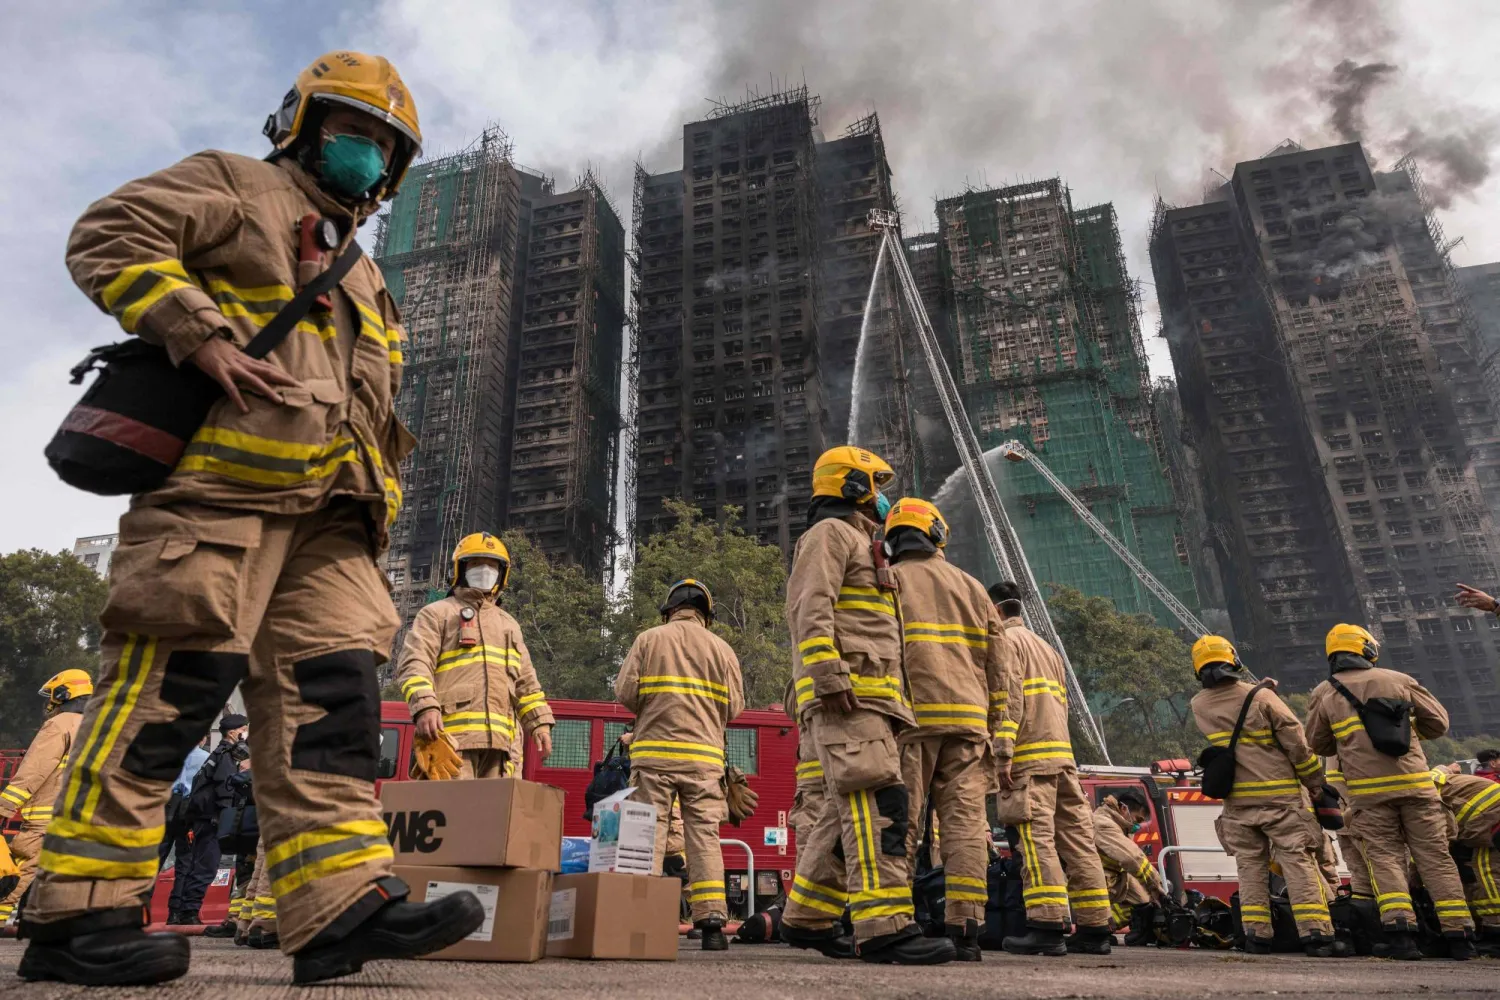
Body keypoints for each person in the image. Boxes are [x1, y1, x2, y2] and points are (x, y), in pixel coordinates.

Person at [19, 51, 485, 986]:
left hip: (333, 525)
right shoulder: (238, 187)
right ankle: (79, 912)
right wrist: (198, 330)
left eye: (385, 145)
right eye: (353, 132)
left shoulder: (365, 272)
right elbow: (109, 232)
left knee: (337, 709)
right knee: (168, 698)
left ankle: (339, 905)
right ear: (301, 126)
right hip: (221, 500)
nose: (367, 155)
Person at [779, 447, 955, 965]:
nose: (882, 497)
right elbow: (810, 608)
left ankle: (807, 918)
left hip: (872, 697)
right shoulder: (829, 536)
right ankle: (885, 928)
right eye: (875, 485)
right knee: (880, 806)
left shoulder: (859, 542)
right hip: (848, 695)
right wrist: (829, 675)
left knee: (843, 811)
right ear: (852, 485)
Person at [1305, 623, 1474, 960]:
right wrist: (1409, 734)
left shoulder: (1325, 692)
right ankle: (1460, 937)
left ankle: (1402, 938)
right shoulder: (1399, 680)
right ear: (1367, 649)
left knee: (1385, 861)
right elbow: (1438, 723)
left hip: (1369, 795)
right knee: (1436, 859)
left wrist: (1351, 741)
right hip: (1417, 788)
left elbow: (1317, 743)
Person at [883, 498, 1005, 961]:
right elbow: (1001, 668)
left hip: (911, 723)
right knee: (967, 828)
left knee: (901, 823)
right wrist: (999, 729)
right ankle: (967, 929)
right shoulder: (973, 589)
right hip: (969, 725)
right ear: (937, 533)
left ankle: (895, 923)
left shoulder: (886, 581)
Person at [1189, 635, 1344, 957]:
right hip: (1281, 801)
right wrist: (1315, 781)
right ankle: (1316, 935)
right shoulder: (1261, 698)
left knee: (1249, 869)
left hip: (1237, 805)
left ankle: (1257, 936)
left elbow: (1235, 715)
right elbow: (1297, 744)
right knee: (1298, 863)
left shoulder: (1199, 705)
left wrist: (1259, 691)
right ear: (1233, 659)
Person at [615, 579, 744, 951]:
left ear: (669, 609)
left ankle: (643, 920)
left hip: (654, 756)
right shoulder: (723, 650)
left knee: (648, 834)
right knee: (704, 838)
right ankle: (713, 925)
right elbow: (734, 708)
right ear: (707, 614)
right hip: (704, 760)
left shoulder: (649, 639)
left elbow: (625, 693)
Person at [989, 581, 1113, 957]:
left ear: (994, 611)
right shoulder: (1047, 648)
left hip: (1029, 761)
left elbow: (1008, 701)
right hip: (1063, 760)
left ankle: (1046, 926)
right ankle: (1095, 928)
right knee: (1079, 843)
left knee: (1035, 841)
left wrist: (1003, 753)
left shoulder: (1007, 644)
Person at [395, 532, 554, 778]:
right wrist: (425, 706)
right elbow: (414, 663)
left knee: (496, 815)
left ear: (502, 574)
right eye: (476, 564)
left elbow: (526, 683)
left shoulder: (509, 625)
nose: (485, 570)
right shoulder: (437, 614)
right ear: (461, 569)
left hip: (502, 748)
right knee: (453, 814)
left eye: (492, 566)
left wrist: (539, 722)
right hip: (450, 741)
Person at [0, 671, 92, 927]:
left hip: (49, 815)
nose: (50, 703)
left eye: (53, 697)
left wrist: (4, 807)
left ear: (64, 694)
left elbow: (33, 770)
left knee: (20, 868)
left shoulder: (61, 724)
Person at [167, 715, 247, 925]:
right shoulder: (225, 756)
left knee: (196, 865)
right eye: (244, 729)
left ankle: (185, 910)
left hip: (203, 818)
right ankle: (190, 912)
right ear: (233, 732)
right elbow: (225, 788)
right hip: (214, 819)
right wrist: (227, 817)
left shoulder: (215, 755)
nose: (245, 733)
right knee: (206, 867)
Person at [1431, 764, 1500, 953]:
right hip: (1487, 821)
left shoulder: (1426, 792)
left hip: (1491, 819)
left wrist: (1415, 874)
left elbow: (1436, 842)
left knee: (1485, 872)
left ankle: (1495, 931)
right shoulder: (1438, 780)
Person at [1091, 788, 1167, 945]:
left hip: (1114, 875)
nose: (1138, 826)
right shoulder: (1104, 824)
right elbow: (1133, 858)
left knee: (1144, 901)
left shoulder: (1120, 824)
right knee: (1148, 894)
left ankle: (1109, 925)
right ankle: (1095, 927)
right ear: (1124, 809)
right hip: (1096, 877)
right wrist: (1158, 887)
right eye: (1137, 820)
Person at [158, 736, 211, 871]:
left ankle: (145, 891)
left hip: (167, 804)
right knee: (185, 856)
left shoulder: (169, 755)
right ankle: (179, 892)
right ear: (202, 739)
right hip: (189, 807)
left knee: (159, 852)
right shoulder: (206, 757)